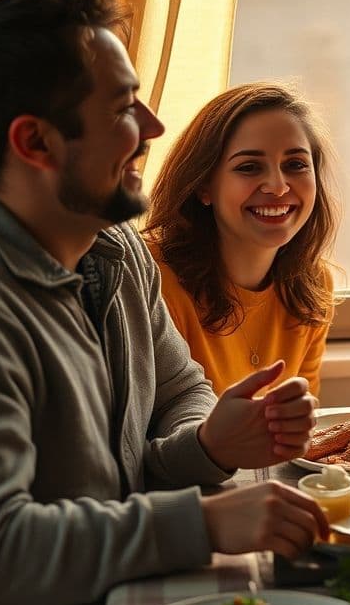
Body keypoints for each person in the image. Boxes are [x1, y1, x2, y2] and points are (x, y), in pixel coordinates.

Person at [0, 0, 330, 605]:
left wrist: (214, 441)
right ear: (35, 143)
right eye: (124, 110)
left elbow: (181, 393)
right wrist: (204, 514)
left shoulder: (111, 250)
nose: (152, 129)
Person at [144, 83, 339, 398]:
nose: (277, 186)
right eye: (249, 167)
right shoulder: (155, 283)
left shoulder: (314, 284)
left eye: (295, 165)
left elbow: (299, 429)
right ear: (204, 186)